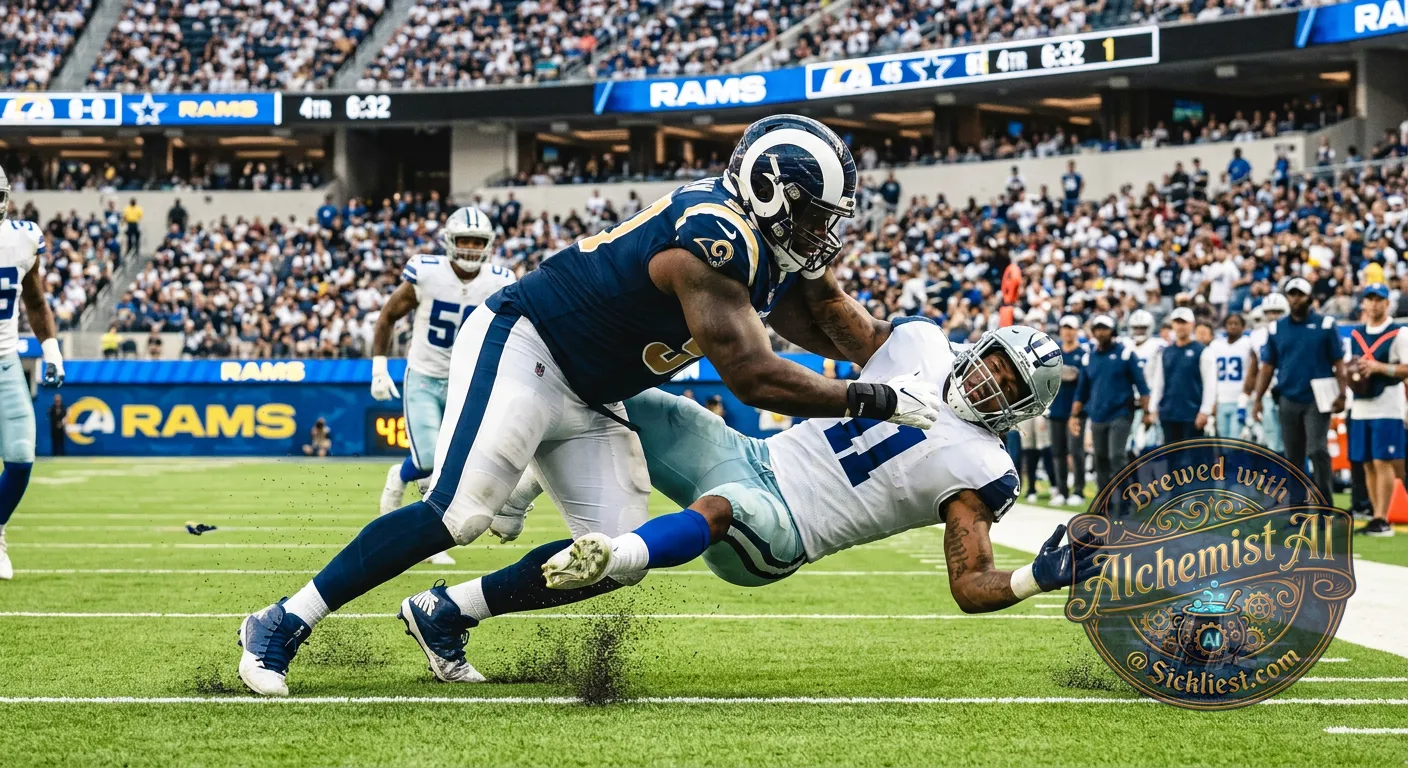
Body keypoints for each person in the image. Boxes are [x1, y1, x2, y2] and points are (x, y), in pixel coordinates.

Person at [237, 115, 945, 696]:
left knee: (614, 554)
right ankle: (280, 620)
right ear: (771, 192)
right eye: (815, 213)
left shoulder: (767, 241)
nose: (823, 230)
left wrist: (912, 358)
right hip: (528, 344)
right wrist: (875, 396)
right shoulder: (712, 239)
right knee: (460, 512)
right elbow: (755, 376)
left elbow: (819, 313)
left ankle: (445, 613)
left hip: (597, 390)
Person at [395, 323, 1093, 682]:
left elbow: (970, 585)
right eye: (994, 362)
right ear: (981, 346)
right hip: (752, 454)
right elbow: (824, 309)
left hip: (788, 528)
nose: (989, 383)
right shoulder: (918, 346)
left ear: (1025, 407)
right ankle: (449, 606)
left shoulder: (984, 468)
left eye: (1009, 384)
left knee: (724, 508)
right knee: (606, 386)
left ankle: (623, 552)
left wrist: (1035, 578)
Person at [368, 207, 515, 566]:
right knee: (430, 459)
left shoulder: (499, 279)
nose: (469, 247)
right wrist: (378, 366)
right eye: (463, 240)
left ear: (488, 244)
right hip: (423, 374)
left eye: (476, 241)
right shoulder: (427, 273)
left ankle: (430, 540)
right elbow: (388, 315)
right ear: (449, 241)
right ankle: (400, 476)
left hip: (466, 381)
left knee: (452, 465)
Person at [0, 165, 66, 582]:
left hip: (4, 359)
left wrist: (52, 349)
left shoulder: (21, 239)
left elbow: (36, 301)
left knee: (22, 458)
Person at [1252, 278, 1347, 504]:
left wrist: (1342, 393)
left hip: (1318, 396)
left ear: (1310, 297)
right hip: (1287, 396)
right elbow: (1267, 367)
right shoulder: (1277, 328)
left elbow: (1339, 363)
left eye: (1300, 295)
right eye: (1292, 295)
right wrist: (1257, 398)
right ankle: (1296, 509)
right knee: (1293, 456)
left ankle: (1325, 504)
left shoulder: (1325, 325)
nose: (1296, 299)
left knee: (1316, 450)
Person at [1343, 284, 1406, 537]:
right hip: (1360, 405)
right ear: (1364, 304)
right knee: (1367, 462)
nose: (1374, 304)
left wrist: (1380, 368)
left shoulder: (1399, 333)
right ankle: (1374, 513)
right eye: (1370, 299)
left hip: (1388, 405)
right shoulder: (1357, 334)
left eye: (1379, 300)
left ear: (1387, 303)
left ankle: (1383, 517)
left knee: (1383, 461)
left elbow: (1406, 368)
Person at [1070, 314, 1149, 493]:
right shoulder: (1089, 357)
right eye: (1097, 329)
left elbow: (1142, 386)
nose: (1100, 332)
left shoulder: (1126, 353)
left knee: (1117, 456)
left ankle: (1124, 500)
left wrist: (1147, 412)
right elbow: (1081, 391)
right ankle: (1104, 501)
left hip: (1121, 412)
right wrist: (1074, 414)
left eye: (1104, 328)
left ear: (1112, 331)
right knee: (1100, 459)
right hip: (1097, 414)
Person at [1148, 307, 1204, 444]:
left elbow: (1210, 384)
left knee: (1193, 458)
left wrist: (1205, 410)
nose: (1180, 326)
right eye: (1177, 322)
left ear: (1192, 324)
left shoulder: (1201, 351)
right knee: (1172, 457)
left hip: (1192, 411)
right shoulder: (1166, 352)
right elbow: (1159, 382)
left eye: (1184, 322)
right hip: (1169, 411)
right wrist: (1153, 407)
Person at [1198, 313, 1258, 438]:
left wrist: (1247, 396)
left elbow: (1253, 371)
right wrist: (1212, 402)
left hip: (1240, 400)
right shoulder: (1216, 345)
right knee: (1223, 439)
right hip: (1221, 399)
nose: (1233, 326)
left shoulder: (1248, 344)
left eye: (1236, 324)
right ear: (1224, 326)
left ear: (1243, 326)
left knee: (1236, 441)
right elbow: (1211, 376)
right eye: (1230, 323)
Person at [1048, 315, 1087, 507]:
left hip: (1076, 411)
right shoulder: (1055, 353)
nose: (1067, 331)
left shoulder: (1083, 353)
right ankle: (1061, 491)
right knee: (1058, 452)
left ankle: (1078, 490)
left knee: (1076, 451)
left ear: (1077, 330)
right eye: (1064, 327)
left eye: (1071, 328)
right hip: (1056, 409)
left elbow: (1077, 378)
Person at [1249, 294, 1288, 451]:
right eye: (1270, 312)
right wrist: (1252, 396)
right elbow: (1254, 369)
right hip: (1267, 391)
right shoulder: (1257, 336)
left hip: (1288, 391)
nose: (1273, 316)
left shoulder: (1291, 332)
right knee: (1271, 439)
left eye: (1278, 311)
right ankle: (1277, 475)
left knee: (1293, 439)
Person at [1125, 309, 1165, 455]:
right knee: (1128, 445)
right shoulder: (1125, 346)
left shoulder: (1157, 346)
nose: (1139, 331)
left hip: (1150, 401)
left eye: (1143, 328)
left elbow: (1159, 378)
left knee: (1150, 444)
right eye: (1136, 328)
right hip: (1129, 402)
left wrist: (1153, 404)